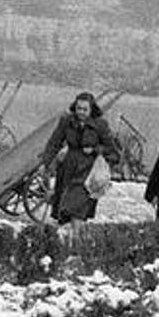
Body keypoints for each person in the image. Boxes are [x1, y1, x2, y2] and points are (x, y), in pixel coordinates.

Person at [39, 91, 118, 224]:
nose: (81, 112)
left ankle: (76, 239)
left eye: (84, 109)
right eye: (78, 108)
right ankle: (66, 240)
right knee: (63, 211)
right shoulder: (67, 121)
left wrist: (95, 149)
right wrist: (46, 163)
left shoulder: (100, 125)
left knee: (76, 210)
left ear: (91, 109)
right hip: (68, 168)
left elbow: (112, 150)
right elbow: (54, 142)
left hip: (88, 172)